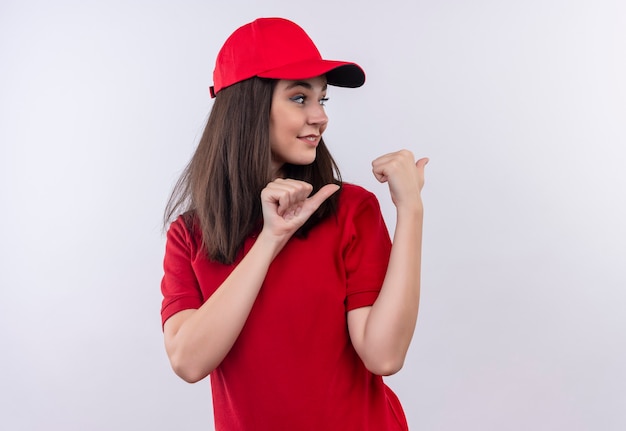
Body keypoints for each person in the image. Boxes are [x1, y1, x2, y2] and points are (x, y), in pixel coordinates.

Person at [160, 17, 428, 431]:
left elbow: (384, 356)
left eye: (323, 98)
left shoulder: (350, 210)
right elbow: (188, 361)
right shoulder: (189, 236)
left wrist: (410, 210)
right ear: (247, 107)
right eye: (300, 98)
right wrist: (270, 240)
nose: (320, 116)